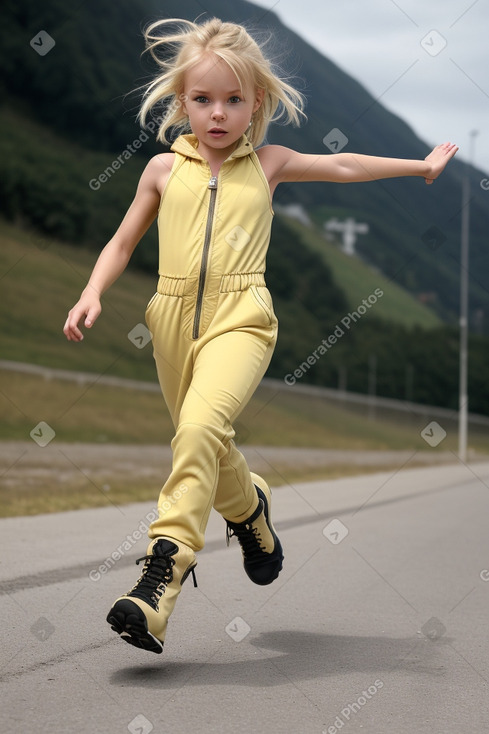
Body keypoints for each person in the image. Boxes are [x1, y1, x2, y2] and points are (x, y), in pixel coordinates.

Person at [63, 16, 458, 655]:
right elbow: (123, 240)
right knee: (203, 439)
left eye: (234, 100)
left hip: (242, 317)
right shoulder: (162, 170)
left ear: (258, 103)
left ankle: (160, 575)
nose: (218, 113)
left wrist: (421, 167)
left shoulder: (270, 164)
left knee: (197, 431)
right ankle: (250, 514)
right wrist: (91, 292)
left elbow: (345, 165)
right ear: (181, 101)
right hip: (168, 319)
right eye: (203, 99)